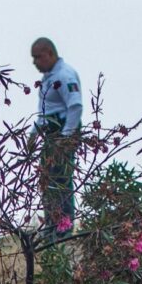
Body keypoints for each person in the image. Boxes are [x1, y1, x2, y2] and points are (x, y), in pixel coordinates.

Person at [30, 35, 84, 235]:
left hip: (61, 130)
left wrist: (66, 137)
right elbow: (46, 111)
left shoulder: (65, 75)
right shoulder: (49, 78)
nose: (35, 62)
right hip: (51, 132)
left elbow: (75, 107)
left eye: (38, 57)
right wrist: (34, 134)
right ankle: (52, 229)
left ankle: (63, 232)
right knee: (47, 181)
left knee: (60, 181)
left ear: (50, 54)